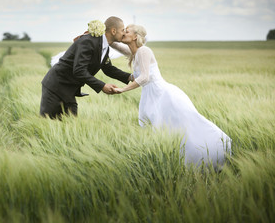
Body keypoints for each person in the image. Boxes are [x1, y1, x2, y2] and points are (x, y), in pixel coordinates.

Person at [112, 24, 231, 168]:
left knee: (184, 128)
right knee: (162, 131)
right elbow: (115, 44)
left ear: (135, 36)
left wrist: (123, 90)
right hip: (150, 97)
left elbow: (144, 77)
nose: (123, 32)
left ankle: (212, 152)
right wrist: (103, 36)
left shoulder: (144, 50)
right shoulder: (135, 53)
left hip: (163, 96)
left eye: (127, 31)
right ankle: (176, 163)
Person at [40, 16, 133, 119]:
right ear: (113, 31)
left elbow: (108, 68)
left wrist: (131, 77)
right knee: (48, 121)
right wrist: (102, 86)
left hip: (69, 90)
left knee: (71, 123)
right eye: (122, 30)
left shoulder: (104, 46)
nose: (124, 33)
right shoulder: (89, 42)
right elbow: (79, 70)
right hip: (55, 86)